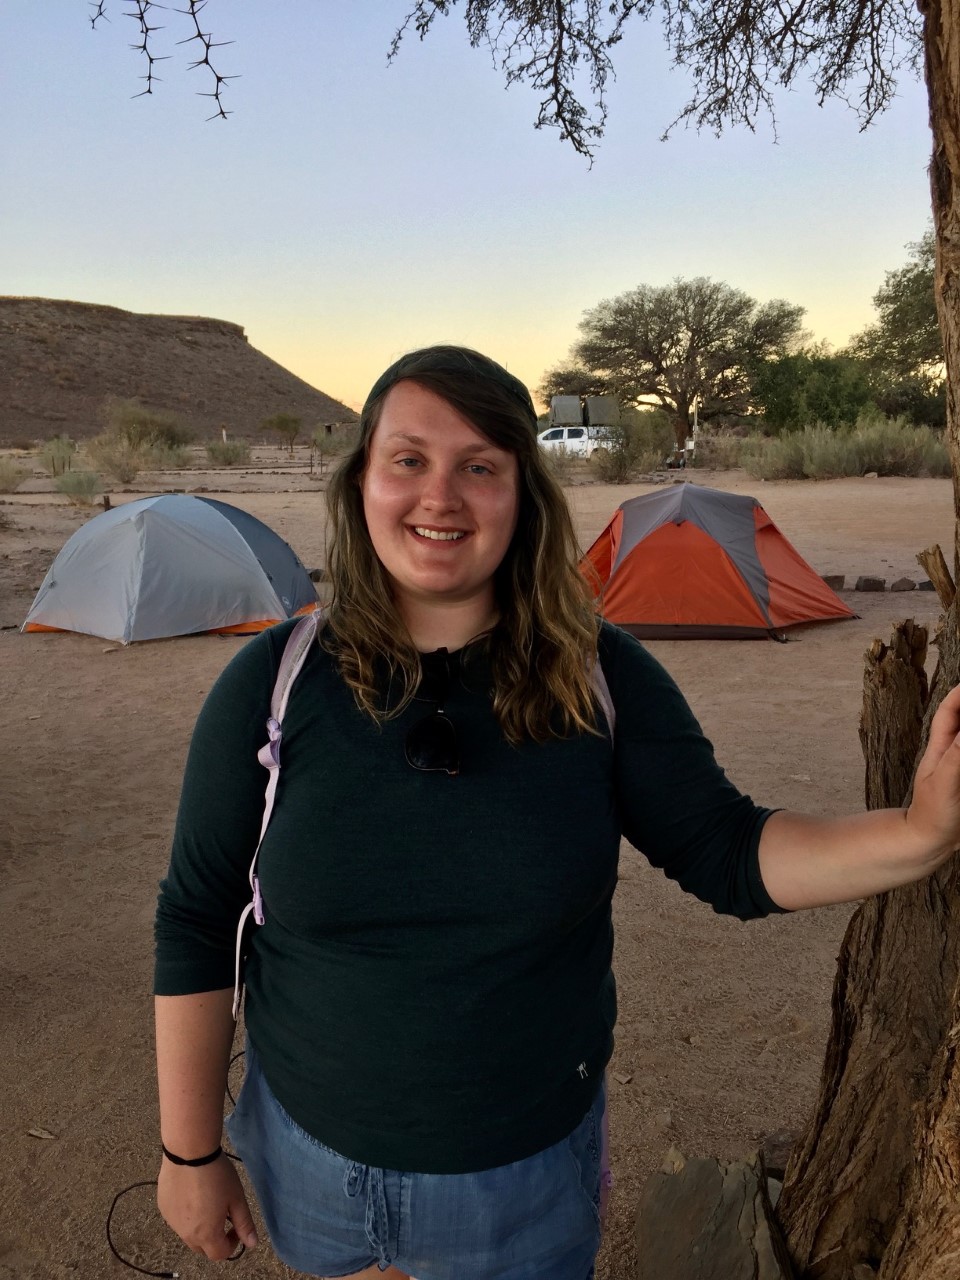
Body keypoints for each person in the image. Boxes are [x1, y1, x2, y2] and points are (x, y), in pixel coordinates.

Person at [154, 345, 960, 1280]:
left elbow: (731, 852)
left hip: (522, 1179)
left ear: (522, 496)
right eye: (408, 460)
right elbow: (200, 920)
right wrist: (191, 1154)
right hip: (307, 1159)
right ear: (361, 483)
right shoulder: (274, 683)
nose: (440, 497)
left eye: (480, 467)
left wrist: (920, 833)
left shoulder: (602, 678)